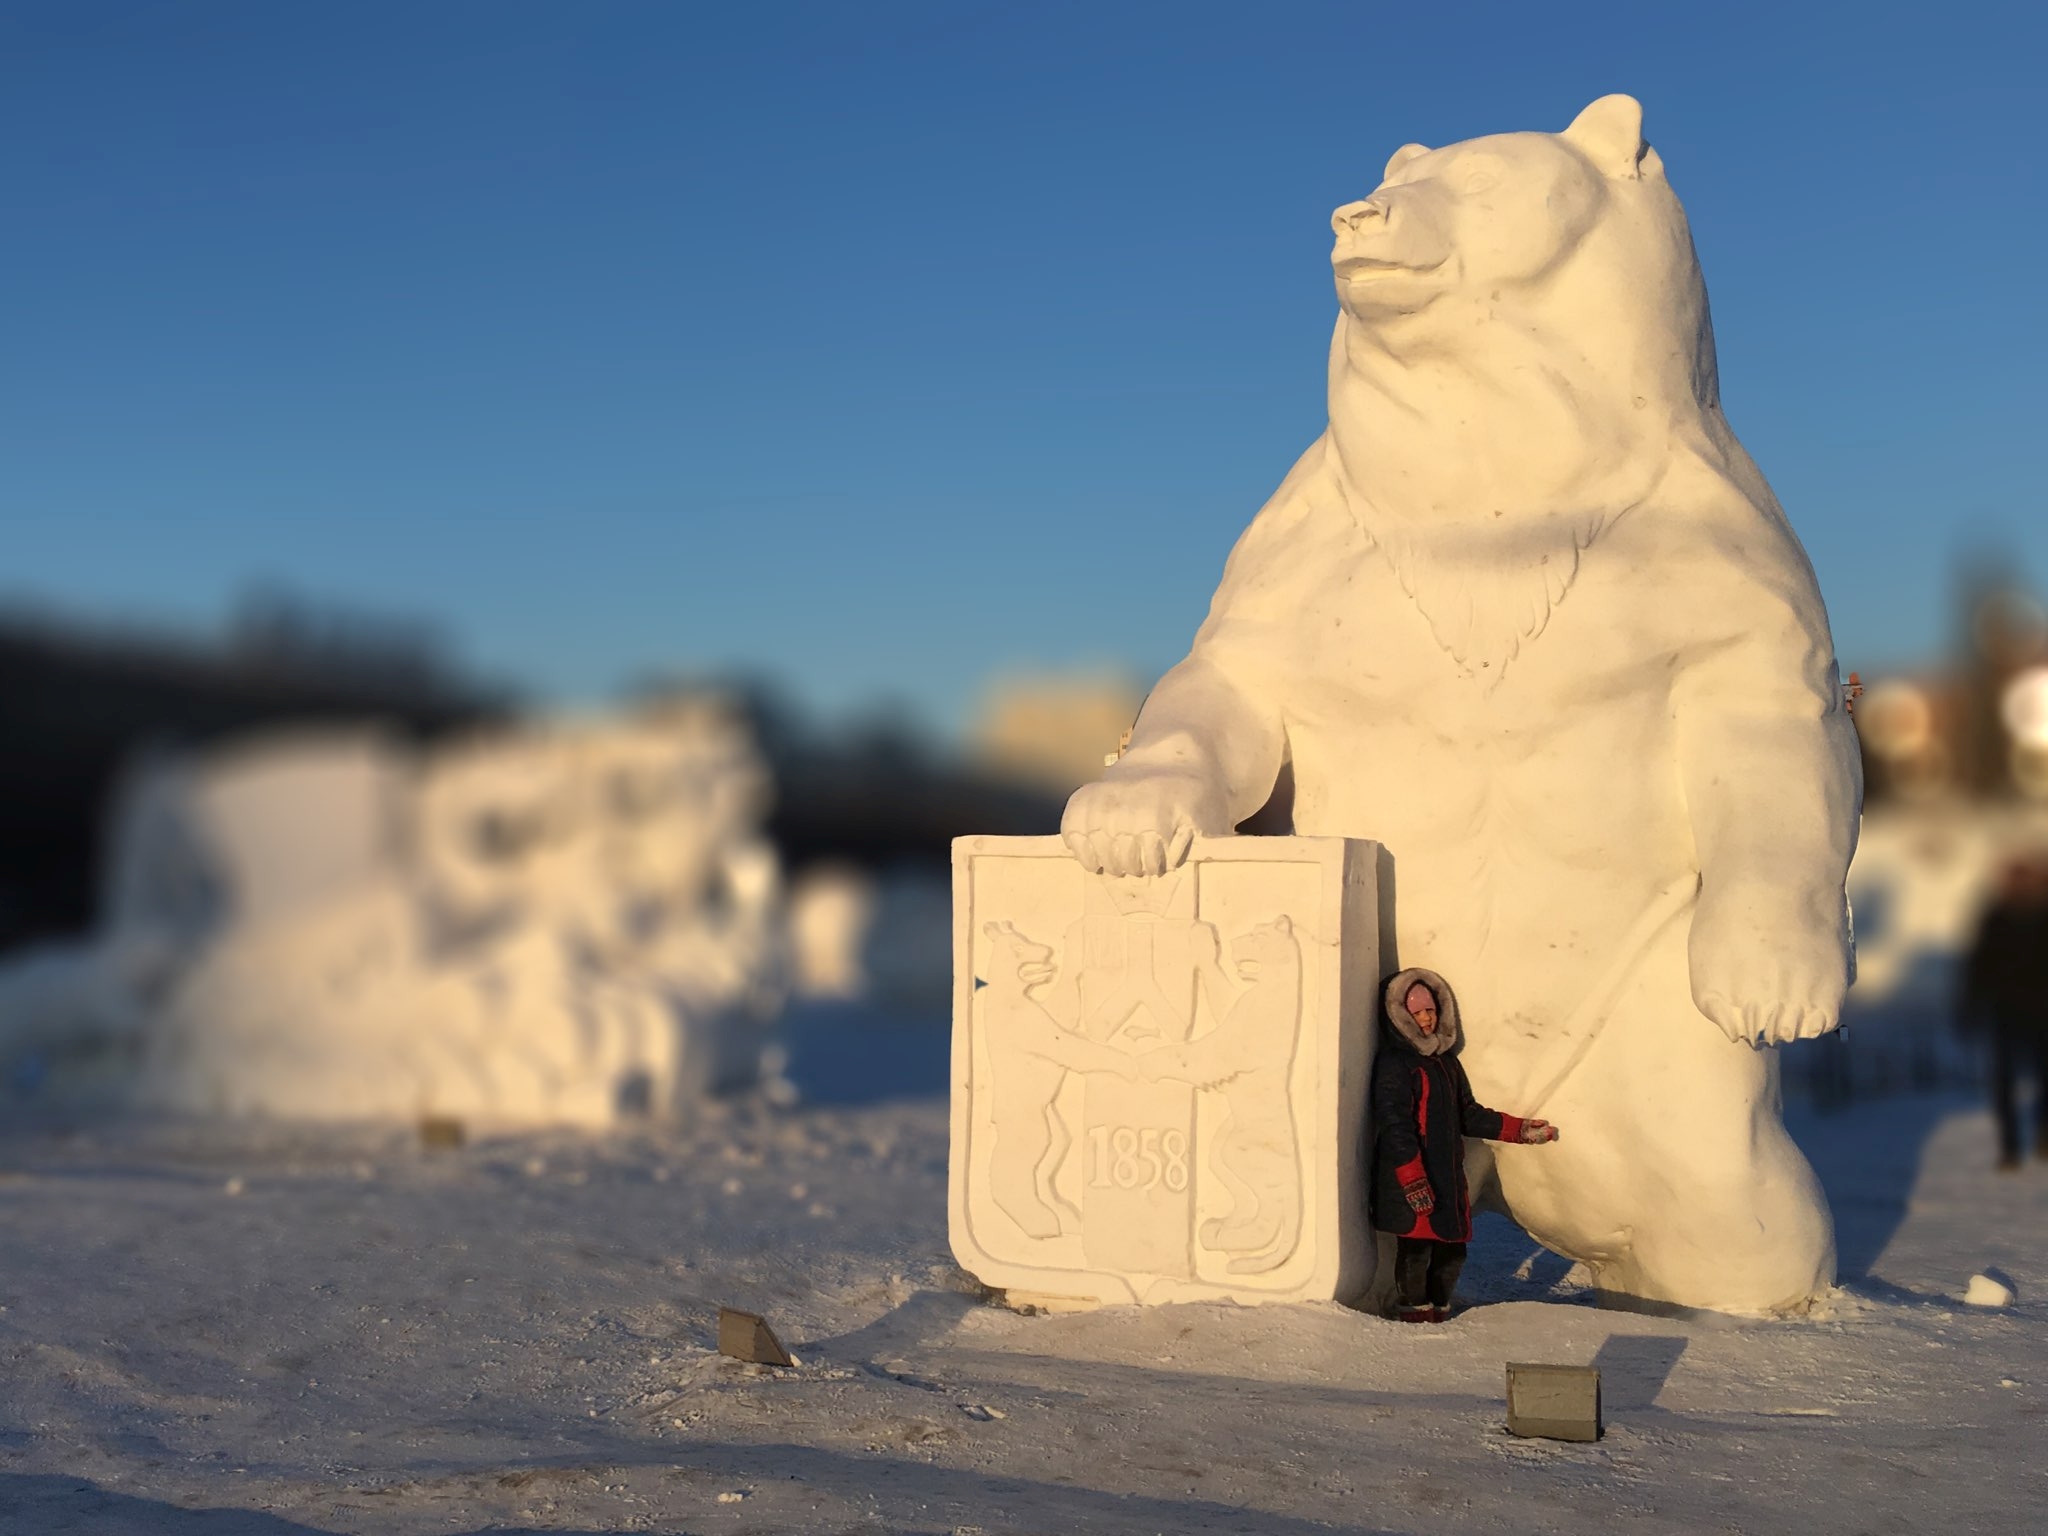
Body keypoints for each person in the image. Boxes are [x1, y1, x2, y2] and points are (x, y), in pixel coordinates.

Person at [1371, 968, 1559, 1322]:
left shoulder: (1447, 1064)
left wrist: (1519, 1129)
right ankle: (1414, 1317)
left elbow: (1468, 1114)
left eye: (1431, 1011)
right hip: (1412, 1174)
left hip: (1446, 1176)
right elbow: (1395, 1123)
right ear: (1401, 1017)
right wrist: (1411, 1177)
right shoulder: (1396, 1064)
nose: (1427, 1019)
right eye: (1418, 1013)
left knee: (1453, 1253)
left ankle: (1439, 1312)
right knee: (1415, 1252)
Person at [1957, 856, 2048, 1170]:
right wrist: (1970, 1006)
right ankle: (2011, 1146)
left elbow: (1978, 967)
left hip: (2038, 1011)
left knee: (2040, 1076)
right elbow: (1979, 966)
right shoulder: (1996, 917)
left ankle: (2040, 1135)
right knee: (2004, 1081)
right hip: (2007, 1011)